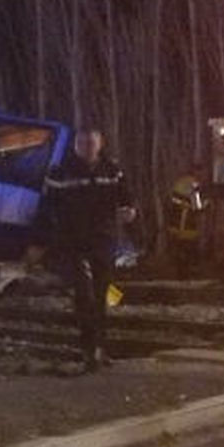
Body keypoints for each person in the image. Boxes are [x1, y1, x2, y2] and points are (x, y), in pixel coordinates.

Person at [35, 128, 136, 371]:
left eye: (92, 143)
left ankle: (100, 348)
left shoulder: (112, 170)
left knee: (102, 295)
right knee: (84, 294)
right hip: (72, 241)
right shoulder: (61, 172)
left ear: (100, 144)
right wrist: (38, 242)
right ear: (76, 145)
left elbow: (127, 198)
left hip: (103, 239)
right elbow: (46, 208)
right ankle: (89, 349)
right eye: (82, 143)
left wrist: (130, 211)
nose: (87, 147)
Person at [166, 166, 209, 279]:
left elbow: (174, 199)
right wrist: (207, 204)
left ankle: (180, 272)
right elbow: (197, 206)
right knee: (188, 248)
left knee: (180, 247)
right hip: (187, 221)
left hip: (175, 220)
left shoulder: (180, 182)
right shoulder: (194, 184)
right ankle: (187, 273)